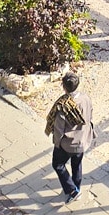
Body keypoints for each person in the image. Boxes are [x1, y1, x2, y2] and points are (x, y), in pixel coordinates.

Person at [43, 69, 94, 202]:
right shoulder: (85, 98)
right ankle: (76, 187)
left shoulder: (63, 105)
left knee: (58, 164)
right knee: (77, 165)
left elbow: (58, 128)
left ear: (64, 87)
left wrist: (57, 143)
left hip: (67, 144)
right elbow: (90, 115)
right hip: (82, 140)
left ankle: (72, 191)